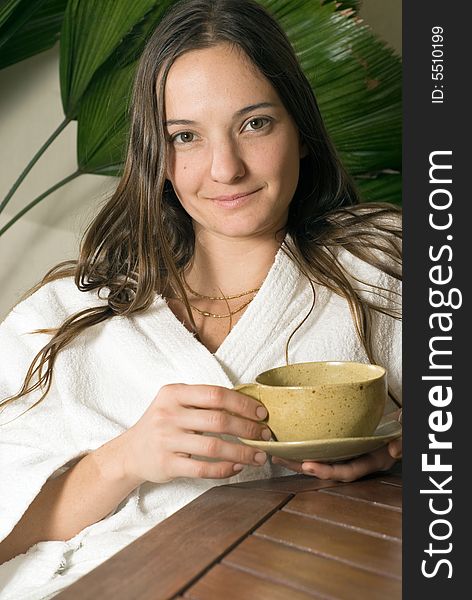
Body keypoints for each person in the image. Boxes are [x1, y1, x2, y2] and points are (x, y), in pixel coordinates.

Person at [0, 0, 402, 597]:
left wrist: (401, 446)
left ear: (303, 132)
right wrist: (124, 460)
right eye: (185, 136)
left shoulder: (382, 265)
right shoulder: (61, 317)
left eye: (255, 123)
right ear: (156, 159)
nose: (225, 168)